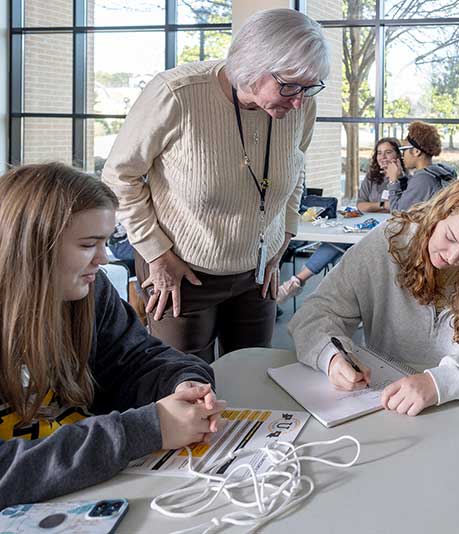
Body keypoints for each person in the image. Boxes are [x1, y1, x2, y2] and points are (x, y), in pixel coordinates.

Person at [102, 9, 330, 363]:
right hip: (181, 270)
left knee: (254, 375)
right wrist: (156, 254)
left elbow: (296, 169)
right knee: (188, 386)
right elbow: (119, 176)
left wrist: (282, 239)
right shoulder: (176, 94)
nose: (299, 100)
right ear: (252, 68)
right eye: (289, 86)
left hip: (258, 270)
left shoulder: (301, 105)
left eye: (309, 87)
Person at [0, 163, 226, 508]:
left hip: (90, 492)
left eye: (105, 242)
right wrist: (144, 430)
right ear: (32, 247)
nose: (103, 259)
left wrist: (183, 385)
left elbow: (138, 360)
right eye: (89, 244)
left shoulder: (91, 293)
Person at [288, 173, 459, 416]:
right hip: (385, 403)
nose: (452, 257)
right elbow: (316, 313)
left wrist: (445, 382)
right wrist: (332, 357)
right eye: (450, 237)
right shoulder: (389, 241)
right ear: (439, 213)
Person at [276, 137, 407, 304]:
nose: (383, 157)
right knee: (340, 244)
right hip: (363, 229)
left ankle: (297, 281)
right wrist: (384, 204)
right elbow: (361, 206)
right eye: (379, 153)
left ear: (398, 155)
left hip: (387, 236)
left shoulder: (406, 180)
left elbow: (399, 209)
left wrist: (380, 204)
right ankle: (300, 283)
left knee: (344, 250)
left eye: (388, 152)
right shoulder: (372, 178)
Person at [384, 121, 457, 212]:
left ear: (416, 151)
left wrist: (393, 181)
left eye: (403, 150)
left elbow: (398, 213)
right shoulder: (442, 170)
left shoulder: (423, 179)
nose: (402, 155)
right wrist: (401, 177)